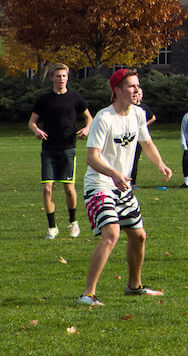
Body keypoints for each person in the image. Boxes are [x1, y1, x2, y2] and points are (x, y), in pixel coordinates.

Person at [79, 68, 173, 306]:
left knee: (139, 236)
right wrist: (115, 174)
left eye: (138, 86)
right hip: (100, 184)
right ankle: (87, 294)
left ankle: (134, 286)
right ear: (117, 90)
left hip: (122, 187)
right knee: (111, 234)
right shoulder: (104, 118)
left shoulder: (139, 114)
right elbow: (92, 158)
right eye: (131, 86)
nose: (137, 90)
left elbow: (147, 142)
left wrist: (160, 164)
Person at [28, 63, 92, 239]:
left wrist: (86, 129)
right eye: (58, 76)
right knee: (47, 189)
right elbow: (31, 122)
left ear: (67, 77)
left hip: (68, 149)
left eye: (64, 76)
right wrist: (37, 131)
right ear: (52, 78)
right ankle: (52, 227)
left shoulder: (75, 98)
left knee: (69, 189)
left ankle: (73, 222)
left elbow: (89, 118)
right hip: (48, 149)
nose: (61, 79)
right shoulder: (44, 100)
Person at [128, 100, 156, 185]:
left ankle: (133, 183)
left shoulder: (143, 108)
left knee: (135, 160)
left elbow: (153, 117)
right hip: (128, 137)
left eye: (139, 94)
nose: (137, 96)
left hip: (139, 137)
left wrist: (144, 125)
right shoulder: (127, 108)